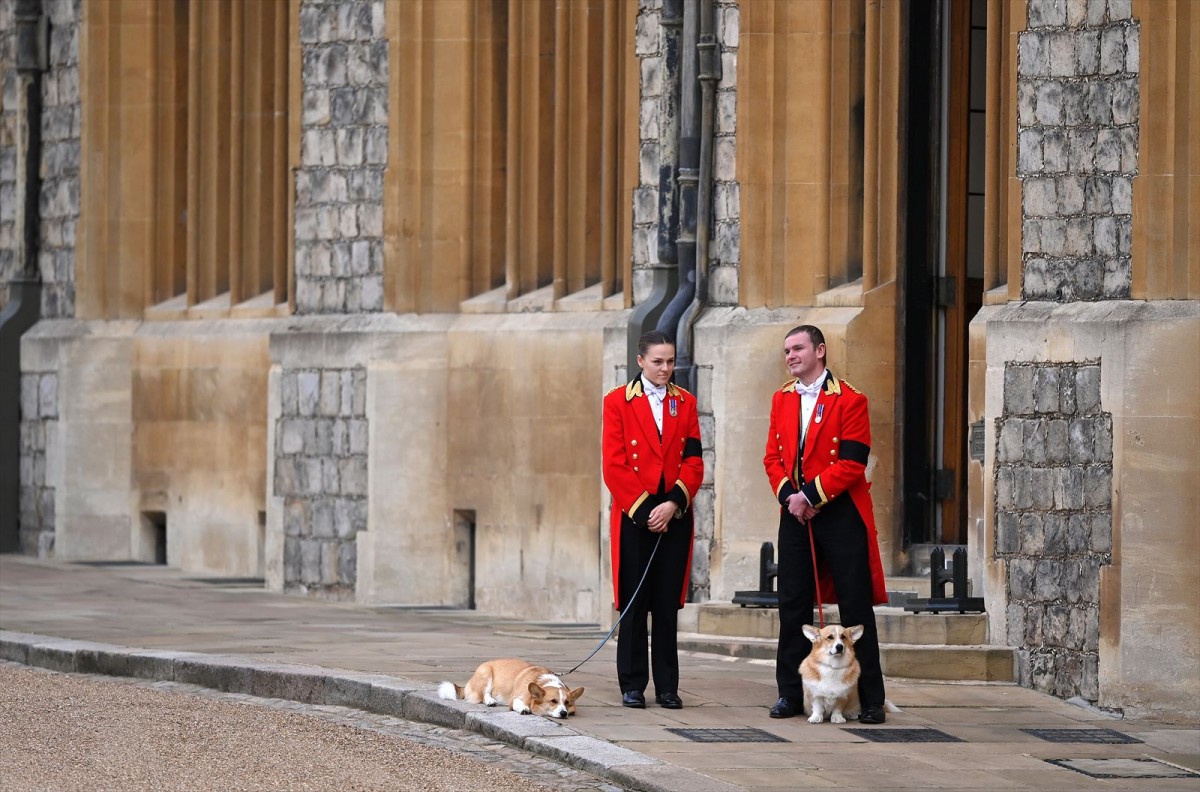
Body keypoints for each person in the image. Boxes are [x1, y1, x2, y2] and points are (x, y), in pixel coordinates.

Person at [762, 325, 890, 723]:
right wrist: (791, 499)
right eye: (787, 350)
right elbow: (772, 459)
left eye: (797, 348)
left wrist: (811, 497)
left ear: (820, 350)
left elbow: (852, 461)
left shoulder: (851, 399)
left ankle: (870, 700)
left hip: (840, 512)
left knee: (855, 606)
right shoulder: (781, 398)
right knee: (792, 606)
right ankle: (789, 694)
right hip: (795, 514)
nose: (790, 356)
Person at [602, 331, 704, 710]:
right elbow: (613, 465)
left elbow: (694, 460)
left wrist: (673, 503)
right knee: (633, 602)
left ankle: (666, 686)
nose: (665, 368)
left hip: (673, 514)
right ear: (641, 361)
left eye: (670, 361)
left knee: (665, 604)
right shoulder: (617, 402)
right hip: (635, 516)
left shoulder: (686, 403)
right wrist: (647, 512)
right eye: (658, 361)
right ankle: (632, 684)